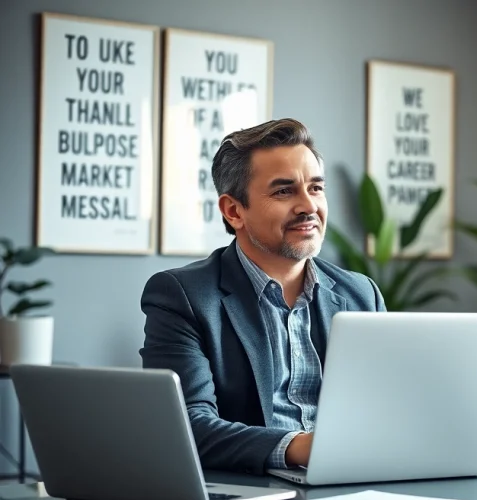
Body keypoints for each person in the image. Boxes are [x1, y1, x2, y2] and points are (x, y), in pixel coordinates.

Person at [139, 118, 385, 475]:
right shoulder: (183, 296)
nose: (308, 206)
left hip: (357, 480)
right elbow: (186, 424)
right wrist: (303, 448)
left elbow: (388, 409)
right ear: (234, 211)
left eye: (316, 188)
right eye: (284, 192)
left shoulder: (361, 293)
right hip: (256, 490)